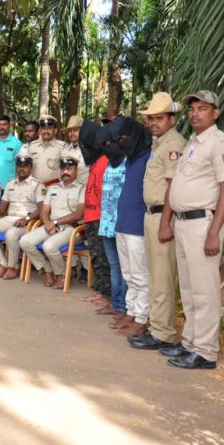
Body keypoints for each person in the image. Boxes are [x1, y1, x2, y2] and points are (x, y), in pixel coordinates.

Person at [162, 90, 224, 370]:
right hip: (184, 223)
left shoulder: (219, 142)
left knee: (205, 291)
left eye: (202, 108)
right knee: (188, 288)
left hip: (204, 224)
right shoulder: (192, 142)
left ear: (216, 113)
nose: (194, 113)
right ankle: (190, 342)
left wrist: (214, 232)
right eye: (191, 109)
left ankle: (205, 351)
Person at [128, 93, 186, 350]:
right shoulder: (159, 144)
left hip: (164, 215)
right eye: (150, 118)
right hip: (151, 214)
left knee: (162, 278)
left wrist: (164, 222)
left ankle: (162, 333)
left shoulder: (174, 144)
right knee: (154, 275)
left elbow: (173, 186)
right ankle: (156, 327)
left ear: (172, 119)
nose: (153, 123)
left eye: (159, 118)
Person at [107, 117, 152, 337]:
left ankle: (141, 318)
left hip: (138, 225)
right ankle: (131, 311)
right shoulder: (131, 158)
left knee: (140, 275)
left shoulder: (148, 156)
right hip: (123, 222)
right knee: (128, 274)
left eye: (124, 137)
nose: (122, 142)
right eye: (119, 138)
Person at [19, 153, 85, 290]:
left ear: (76, 170)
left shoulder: (82, 188)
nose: (65, 172)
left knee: (49, 246)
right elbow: (44, 211)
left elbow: (78, 214)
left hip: (72, 229)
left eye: (69, 169)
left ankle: (63, 274)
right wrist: (48, 223)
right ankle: (48, 270)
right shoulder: (53, 188)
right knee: (25, 241)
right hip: (51, 226)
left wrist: (54, 223)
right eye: (63, 169)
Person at [0, 153, 43, 280]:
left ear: (31, 168)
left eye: (25, 166)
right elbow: (3, 205)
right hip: (10, 218)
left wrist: (26, 219)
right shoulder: (10, 183)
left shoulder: (37, 185)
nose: (21, 168)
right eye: (19, 166)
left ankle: (13, 266)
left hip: (28, 221)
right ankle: (2, 263)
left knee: (11, 234)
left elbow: (41, 208)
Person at [78, 122, 113, 311]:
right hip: (90, 216)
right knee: (97, 257)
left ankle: (108, 295)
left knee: (105, 257)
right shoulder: (95, 161)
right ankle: (100, 290)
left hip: (102, 217)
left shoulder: (107, 159)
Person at [98, 136, 129, 320]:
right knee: (114, 265)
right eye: (105, 145)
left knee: (126, 267)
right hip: (106, 222)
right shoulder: (109, 164)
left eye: (111, 144)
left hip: (122, 223)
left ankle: (124, 306)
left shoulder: (128, 163)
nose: (108, 148)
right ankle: (115, 303)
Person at [19, 114, 65, 185]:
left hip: (53, 188)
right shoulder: (32, 146)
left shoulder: (62, 147)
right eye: (43, 128)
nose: (46, 131)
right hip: (34, 187)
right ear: (40, 130)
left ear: (55, 130)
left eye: (49, 128)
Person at [64, 115, 88, 184]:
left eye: (75, 130)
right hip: (68, 188)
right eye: (70, 131)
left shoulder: (89, 150)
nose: (72, 133)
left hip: (84, 188)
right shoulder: (65, 151)